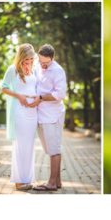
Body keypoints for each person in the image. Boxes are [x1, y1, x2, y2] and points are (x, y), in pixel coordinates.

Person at [0, 43, 41, 191]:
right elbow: (3, 88)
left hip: (32, 112)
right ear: (20, 58)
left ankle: (27, 179)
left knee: (30, 146)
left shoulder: (35, 70)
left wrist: (37, 100)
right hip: (20, 111)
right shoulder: (12, 70)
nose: (28, 63)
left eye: (31, 60)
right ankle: (18, 181)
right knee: (20, 146)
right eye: (26, 60)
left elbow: (37, 88)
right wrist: (19, 96)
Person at [32, 44, 66, 192]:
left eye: (45, 63)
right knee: (51, 149)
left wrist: (40, 97)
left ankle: (51, 183)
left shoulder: (58, 71)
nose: (42, 65)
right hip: (41, 115)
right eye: (40, 62)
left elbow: (60, 95)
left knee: (54, 150)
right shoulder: (38, 66)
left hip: (52, 116)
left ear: (52, 58)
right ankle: (57, 182)